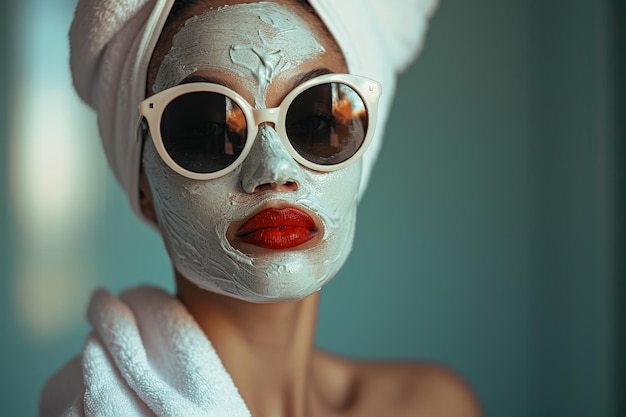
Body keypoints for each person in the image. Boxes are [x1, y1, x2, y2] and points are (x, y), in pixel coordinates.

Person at [40, 0, 482, 415]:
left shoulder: (435, 406)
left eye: (315, 122)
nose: (273, 170)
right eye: (209, 130)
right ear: (143, 186)